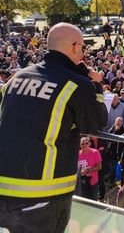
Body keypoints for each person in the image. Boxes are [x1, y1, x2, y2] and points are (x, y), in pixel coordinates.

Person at [0, 23, 107, 233]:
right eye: (82, 47)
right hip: (42, 196)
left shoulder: (17, 78)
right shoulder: (76, 83)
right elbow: (97, 122)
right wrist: (96, 84)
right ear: (75, 46)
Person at [78, 136, 102, 200]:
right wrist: (80, 172)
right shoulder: (77, 154)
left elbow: (99, 167)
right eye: (82, 144)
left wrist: (88, 170)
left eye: (86, 143)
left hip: (93, 182)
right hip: (81, 184)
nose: (84, 145)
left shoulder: (95, 152)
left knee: (93, 201)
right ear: (80, 145)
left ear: (89, 144)